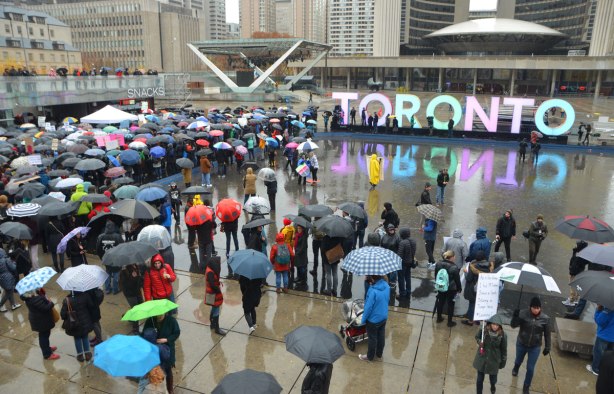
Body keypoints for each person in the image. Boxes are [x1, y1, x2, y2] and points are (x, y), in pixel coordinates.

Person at [511, 297, 551, 394]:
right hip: (521, 343)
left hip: (535, 347)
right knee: (518, 360)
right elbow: (513, 325)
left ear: (540, 308)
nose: (536, 310)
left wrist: (548, 346)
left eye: (538, 308)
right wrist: (515, 316)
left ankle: (526, 386)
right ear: (530, 307)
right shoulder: (523, 314)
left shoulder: (545, 319)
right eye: (534, 308)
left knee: (530, 368)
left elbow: (547, 334)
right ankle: (516, 367)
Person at [143, 313, 180, 394]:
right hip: (154, 350)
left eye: (161, 315)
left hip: (167, 349)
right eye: (158, 315)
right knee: (155, 370)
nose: (159, 317)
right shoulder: (150, 320)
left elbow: (176, 333)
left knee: (168, 370)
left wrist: (166, 339)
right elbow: (144, 334)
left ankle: (170, 389)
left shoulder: (171, 321)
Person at [358, 275, 390, 361]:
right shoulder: (386, 285)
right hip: (383, 316)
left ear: (372, 278)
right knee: (381, 335)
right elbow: (387, 299)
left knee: (372, 338)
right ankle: (379, 354)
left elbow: (368, 308)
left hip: (373, 320)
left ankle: (370, 356)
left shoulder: (372, 291)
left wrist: (363, 320)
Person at [22, 288, 59, 360]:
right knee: (44, 336)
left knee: (45, 335)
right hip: (41, 320)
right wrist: (51, 303)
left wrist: (41, 293)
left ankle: (47, 349)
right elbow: (45, 308)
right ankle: (47, 355)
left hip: (39, 319)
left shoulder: (29, 296)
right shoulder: (35, 299)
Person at [473, 314, 507, 394]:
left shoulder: (502, 336)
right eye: (493, 324)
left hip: (494, 360)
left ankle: (492, 386)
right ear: (490, 324)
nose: (495, 326)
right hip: (482, 358)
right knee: (479, 380)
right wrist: (479, 342)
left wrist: (502, 362)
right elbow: (477, 337)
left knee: (493, 379)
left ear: (500, 326)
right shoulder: (484, 330)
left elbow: (504, 350)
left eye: (497, 325)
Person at [60, 290, 95, 362]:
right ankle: (87, 354)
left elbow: (63, 315)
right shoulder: (85, 296)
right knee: (85, 336)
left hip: (74, 324)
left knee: (77, 338)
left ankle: (80, 355)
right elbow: (91, 306)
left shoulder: (67, 300)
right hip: (85, 322)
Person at [462, 251, 492, 326]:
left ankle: (470, 321)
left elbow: (469, 278)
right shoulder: (489, 266)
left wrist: (465, 272)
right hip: (483, 288)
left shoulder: (473, 266)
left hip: (473, 288)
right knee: (478, 304)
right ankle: (476, 319)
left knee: (472, 303)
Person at [435, 250, 462, 327]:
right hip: (451, 289)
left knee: (440, 302)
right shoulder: (454, 267)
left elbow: (436, 275)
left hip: (441, 287)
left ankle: (439, 318)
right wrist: (459, 289)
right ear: (452, 257)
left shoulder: (438, 264)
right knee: (451, 305)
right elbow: (457, 280)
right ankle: (449, 322)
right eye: (454, 256)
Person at [96, 221, 123, 295]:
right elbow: (122, 248)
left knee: (107, 272)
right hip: (116, 259)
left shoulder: (101, 236)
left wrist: (102, 257)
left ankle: (107, 289)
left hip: (106, 259)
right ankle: (115, 289)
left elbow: (98, 249)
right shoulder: (118, 236)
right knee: (116, 273)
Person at [587, 305, 614, 376]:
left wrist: (598, 310)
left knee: (598, 353)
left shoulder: (608, 308)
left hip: (604, 336)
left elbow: (600, 321)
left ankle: (595, 369)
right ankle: (607, 370)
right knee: (610, 355)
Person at [562, 240, 588, 307]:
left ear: (580, 246)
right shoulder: (581, 253)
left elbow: (575, 262)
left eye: (577, 244)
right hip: (578, 272)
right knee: (577, 286)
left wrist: (571, 270)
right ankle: (575, 300)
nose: (576, 245)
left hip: (575, 272)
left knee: (572, 286)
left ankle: (571, 300)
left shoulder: (579, 254)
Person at [205, 256, 227, 336]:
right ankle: (217, 328)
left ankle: (212, 323)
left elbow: (212, 281)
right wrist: (218, 290)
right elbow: (212, 284)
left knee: (214, 308)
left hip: (211, 293)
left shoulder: (210, 269)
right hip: (213, 293)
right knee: (216, 309)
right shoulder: (210, 272)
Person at [119, 264, 143, 334]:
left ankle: (127, 316)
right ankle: (135, 329)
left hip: (137, 292)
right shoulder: (123, 272)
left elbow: (139, 280)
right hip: (130, 295)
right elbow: (126, 286)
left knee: (140, 306)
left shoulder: (136, 267)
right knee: (135, 310)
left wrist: (140, 278)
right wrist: (133, 277)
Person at [397, 227, 416, 301]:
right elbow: (413, 252)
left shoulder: (402, 243)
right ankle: (408, 292)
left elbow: (399, 255)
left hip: (403, 263)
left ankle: (402, 294)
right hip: (410, 262)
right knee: (408, 278)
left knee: (401, 279)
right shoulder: (414, 241)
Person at [380, 224, 400, 290]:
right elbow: (381, 245)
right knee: (386, 269)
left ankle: (393, 282)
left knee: (393, 270)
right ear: (388, 230)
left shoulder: (397, 237)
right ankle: (387, 280)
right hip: (385, 256)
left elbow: (399, 247)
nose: (391, 231)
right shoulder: (384, 237)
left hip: (394, 256)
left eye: (393, 229)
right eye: (390, 229)